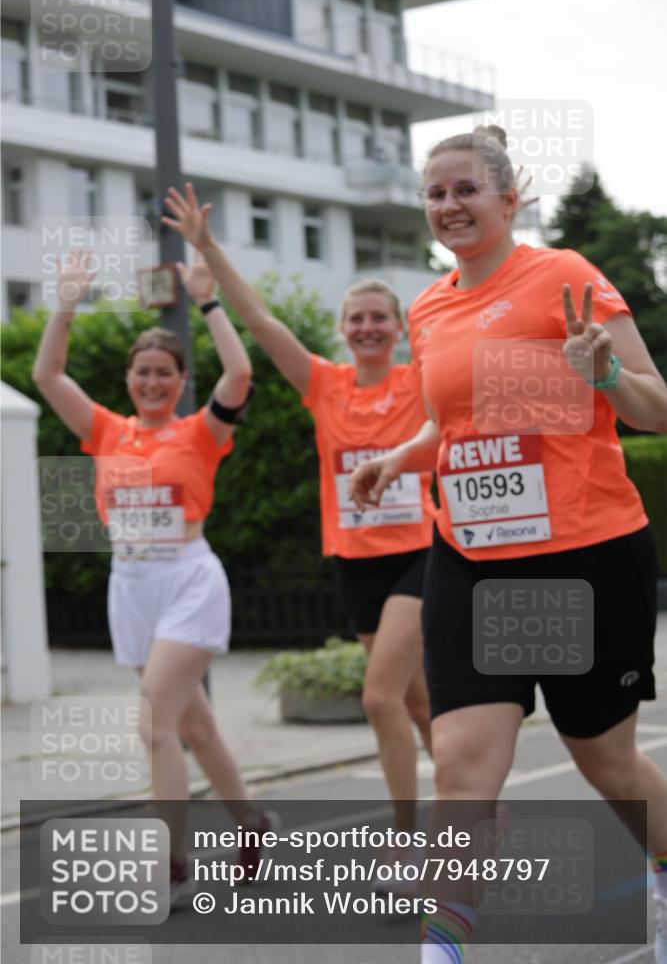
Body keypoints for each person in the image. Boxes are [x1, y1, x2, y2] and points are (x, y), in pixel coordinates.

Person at [348, 126, 667, 961]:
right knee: (459, 762)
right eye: (435, 193)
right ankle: (441, 949)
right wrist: (395, 457)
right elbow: (449, 428)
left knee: (607, 764)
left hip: (583, 555)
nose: (447, 206)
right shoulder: (428, 306)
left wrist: (598, 373)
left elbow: (654, 410)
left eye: (464, 191)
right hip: (473, 557)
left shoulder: (564, 276)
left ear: (506, 198)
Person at [162, 183, 434, 876]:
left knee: (378, 697)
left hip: (421, 554)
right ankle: (475, 797)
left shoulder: (417, 383)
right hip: (356, 560)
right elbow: (257, 318)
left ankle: (407, 839)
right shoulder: (323, 384)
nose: (369, 327)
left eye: (380, 318)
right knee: (412, 697)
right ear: (343, 328)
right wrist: (208, 250)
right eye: (358, 319)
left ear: (398, 329)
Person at [32, 249, 273, 904]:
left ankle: (170, 862)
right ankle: (250, 823)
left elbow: (241, 370)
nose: (153, 382)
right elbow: (47, 374)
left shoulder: (201, 432)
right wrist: (66, 303)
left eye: (165, 373)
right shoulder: (106, 431)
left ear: (180, 379)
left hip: (189, 581)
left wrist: (208, 299)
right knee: (193, 726)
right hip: (132, 586)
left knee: (153, 726)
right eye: (143, 373)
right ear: (129, 378)